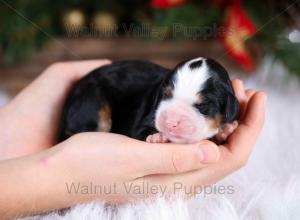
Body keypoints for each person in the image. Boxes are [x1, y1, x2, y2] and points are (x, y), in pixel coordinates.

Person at [0, 60, 266, 219]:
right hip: (97, 94)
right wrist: (58, 174)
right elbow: (141, 130)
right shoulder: (152, 106)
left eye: (201, 107)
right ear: (163, 90)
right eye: (168, 97)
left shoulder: (227, 110)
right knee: (95, 107)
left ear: (228, 110)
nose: (172, 119)